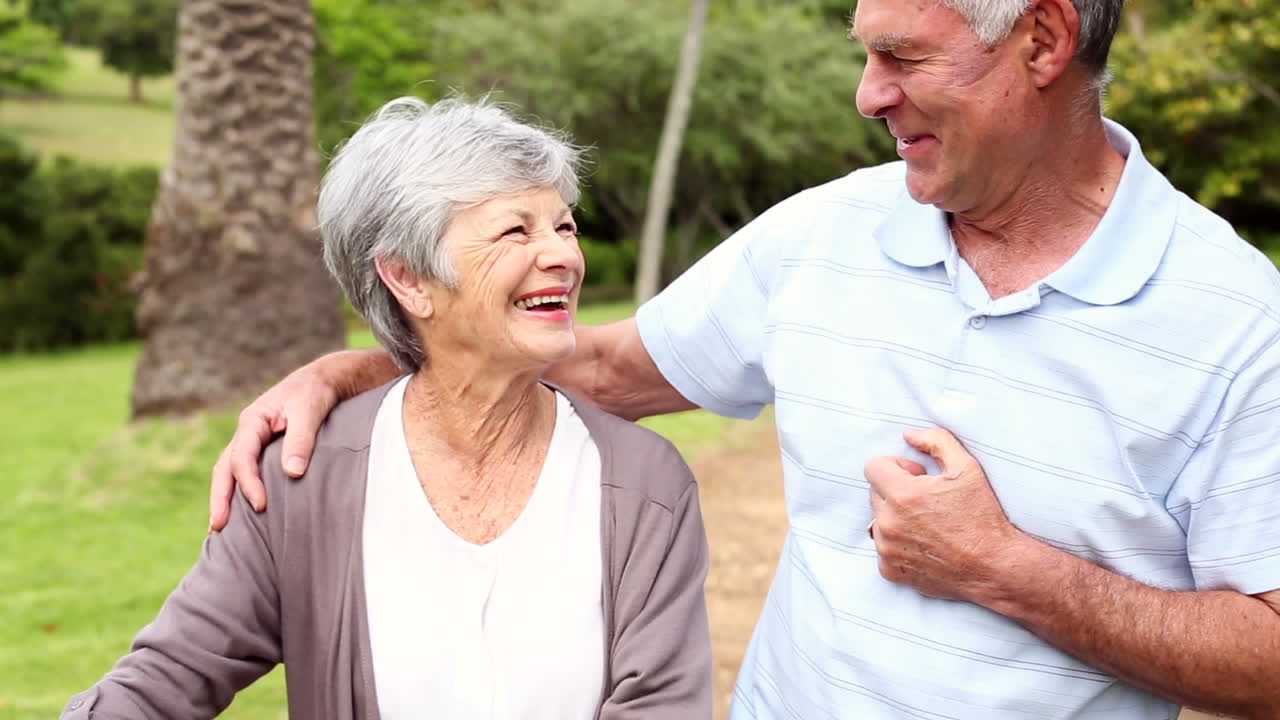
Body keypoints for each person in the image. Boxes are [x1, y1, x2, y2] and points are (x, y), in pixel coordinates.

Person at [210, 0, 1280, 718]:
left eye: (902, 56)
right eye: (865, 52)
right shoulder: (825, 232)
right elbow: (604, 369)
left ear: (1042, 41)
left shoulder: (1236, 322)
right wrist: (357, 373)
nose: (867, 93)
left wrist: (1003, 569)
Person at [63, 97, 712, 720]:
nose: (564, 255)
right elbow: (168, 678)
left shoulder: (645, 486)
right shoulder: (302, 480)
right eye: (517, 230)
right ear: (407, 278)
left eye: (564, 226)